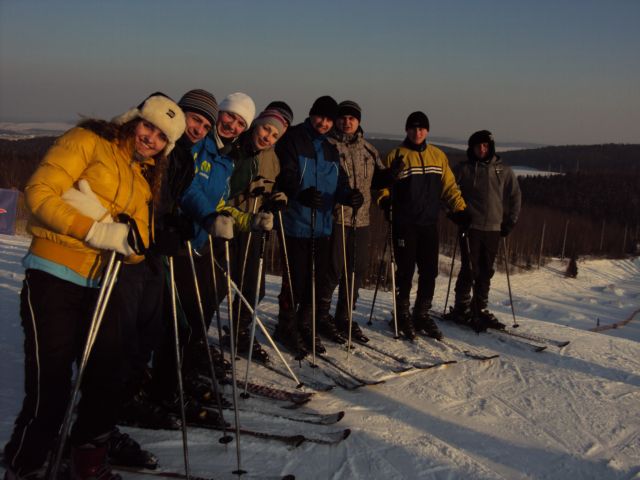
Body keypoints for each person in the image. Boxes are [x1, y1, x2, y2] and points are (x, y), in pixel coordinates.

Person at [3, 93, 185, 480]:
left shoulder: (142, 176)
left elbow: (129, 247)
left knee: (107, 378)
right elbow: (38, 193)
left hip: (102, 288)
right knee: (50, 386)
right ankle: (27, 464)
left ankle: (87, 461)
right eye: (149, 126)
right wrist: (96, 228)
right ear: (135, 119)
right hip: (53, 274)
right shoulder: (87, 140)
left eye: (162, 136)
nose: (151, 137)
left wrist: (149, 244)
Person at [113, 90, 220, 436]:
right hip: (131, 248)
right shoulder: (162, 150)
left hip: (156, 248)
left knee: (166, 325)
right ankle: (125, 398)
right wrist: (166, 225)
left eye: (206, 125)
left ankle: (157, 389)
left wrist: (201, 218)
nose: (198, 128)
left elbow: (183, 194)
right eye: (195, 119)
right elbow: (144, 197)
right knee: (137, 329)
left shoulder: (182, 157)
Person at [274, 96, 362, 358]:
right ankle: (286, 326)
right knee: (295, 281)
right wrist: (298, 192)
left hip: (323, 226)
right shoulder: (293, 139)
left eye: (328, 119)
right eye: (319, 117)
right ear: (311, 114)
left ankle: (305, 325)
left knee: (316, 281)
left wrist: (349, 196)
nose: (323, 123)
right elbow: (285, 173)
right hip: (295, 223)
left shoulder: (330, 149)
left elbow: (340, 183)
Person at [377, 111, 469, 341]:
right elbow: (382, 185)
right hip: (404, 223)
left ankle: (421, 313)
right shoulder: (395, 155)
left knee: (430, 271)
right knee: (406, 271)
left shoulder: (438, 156)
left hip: (429, 222)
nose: (417, 132)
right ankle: (402, 314)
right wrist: (385, 200)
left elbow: (449, 186)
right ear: (406, 130)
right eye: (413, 128)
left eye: (421, 128)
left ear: (427, 131)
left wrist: (460, 209)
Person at [224, 108, 289, 364]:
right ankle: (194, 339)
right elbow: (224, 186)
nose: (268, 137)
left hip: (255, 225)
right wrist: (247, 189)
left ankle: (239, 331)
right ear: (256, 125)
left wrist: (277, 197)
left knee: (254, 286)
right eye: (265, 129)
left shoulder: (273, 157)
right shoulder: (237, 147)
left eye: (274, 135)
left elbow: (275, 184)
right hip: (230, 223)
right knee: (218, 286)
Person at [316, 100, 381, 344]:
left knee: (356, 271)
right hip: (336, 217)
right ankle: (322, 317)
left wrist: (390, 178)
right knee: (333, 270)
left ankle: (344, 317)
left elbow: (378, 180)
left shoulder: (369, 150)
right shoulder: (328, 145)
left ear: (359, 121)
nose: (347, 121)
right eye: (343, 117)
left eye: (352, 118)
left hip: (362, 219)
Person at [447, 130, 521, 330]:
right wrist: (454, 213)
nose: (482, 149)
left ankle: (479, 307)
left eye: (486, 146)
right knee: (470, 268)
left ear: (491, 147)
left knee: (486, 270)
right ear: (471, 148)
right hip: (470, 226)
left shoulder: (503, 170)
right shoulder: (464, 169)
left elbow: (515, 196)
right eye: (478, 146)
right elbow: (446, 190)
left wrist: (510, 221)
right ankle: (462, 308)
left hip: (494, 228)